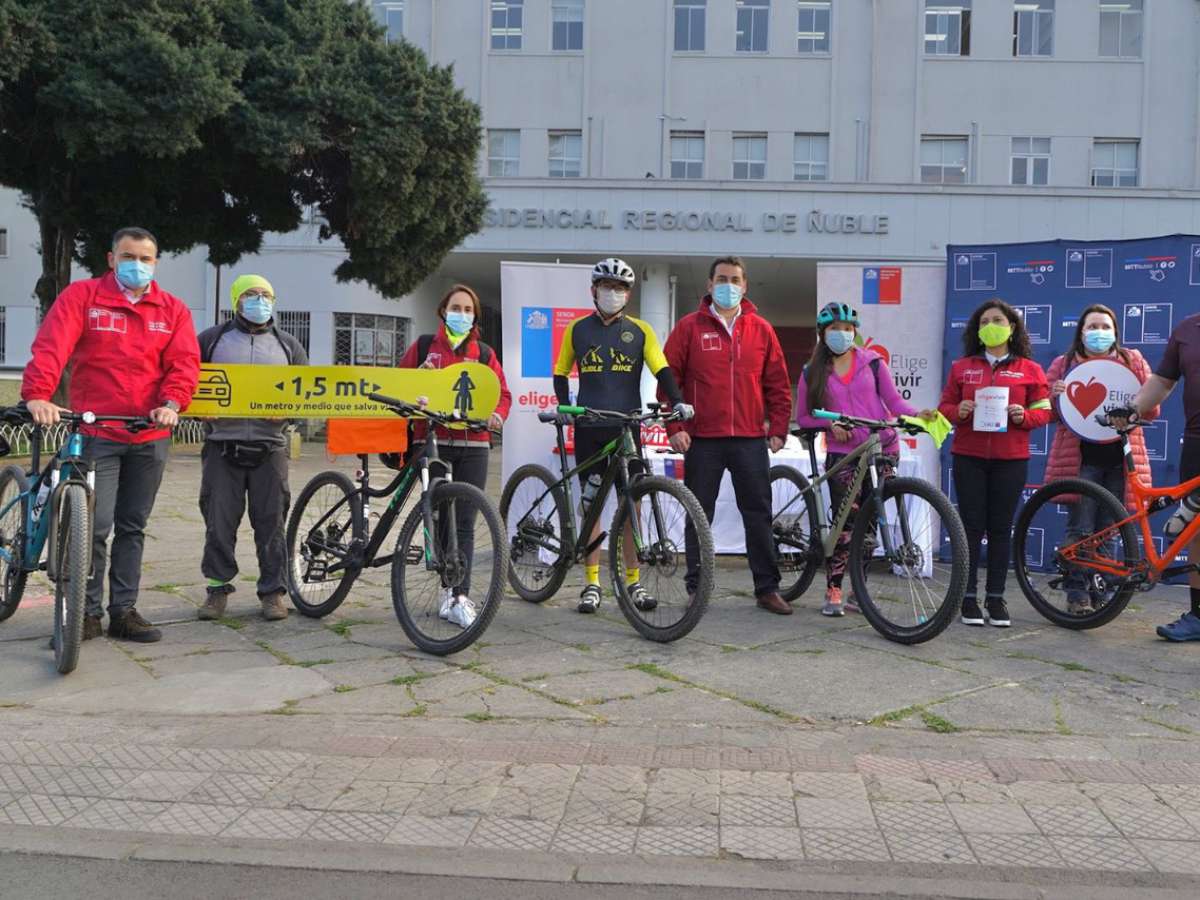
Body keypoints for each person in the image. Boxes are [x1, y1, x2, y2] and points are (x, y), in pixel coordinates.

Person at [22, 226, 200, 644]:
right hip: (95, 430)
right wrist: (38, 396)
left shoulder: (171, 310)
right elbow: (52, 347)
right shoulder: (83, 298)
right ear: (110, 259)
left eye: (145, 259)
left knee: (133, 526)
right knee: (94, 526)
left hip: (148, 433)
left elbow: (184, 364)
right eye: (128, 257)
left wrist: (171, 404)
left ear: (155, 263)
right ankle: (85, 613)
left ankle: (124, 611)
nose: (136, 265)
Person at [554, 258, 692, 614]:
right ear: (593, 291)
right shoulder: (578, 330)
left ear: (628, 294)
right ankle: (591, 583)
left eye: (619, 288)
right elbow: (560, 371)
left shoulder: (641, 330)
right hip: (589, 428)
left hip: (627, 428)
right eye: (606, 287)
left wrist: (678, 401)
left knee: (634, 506)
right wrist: (564, 406)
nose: (612, 293)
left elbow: (662, 370)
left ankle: (632, 582)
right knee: (593, 507)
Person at [663, 256, 793, 615]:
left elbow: (778, 384)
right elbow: (668, 381)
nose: (728, 285)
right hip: (702, 438)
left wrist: (778, 427)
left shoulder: (762, 329)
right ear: (709, 285)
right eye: (722, 278)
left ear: (745, 285)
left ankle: (767, 588)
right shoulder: (689, 327)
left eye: (735, 279)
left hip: (750, 438)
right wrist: (675, 427)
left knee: (758, 514)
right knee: (698, 514)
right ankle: (697, 588)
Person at [795, 302, 936, 617]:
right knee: (844, 526)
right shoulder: (811, 373)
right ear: (823, 334)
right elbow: (804, 417)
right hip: (843, 456)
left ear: (855, 332)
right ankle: (834, 588)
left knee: (869, 524)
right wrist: (829, 425)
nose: (842, 334)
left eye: (848, 328)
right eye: (835, 329)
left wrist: (918, 415)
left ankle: (859, 591)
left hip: (882, 448)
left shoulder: (873, 363)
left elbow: (895, 401)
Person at [196, 275, 308, 622]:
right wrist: (197, 408)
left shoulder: (289, 345)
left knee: (272, 521)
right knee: (219, 520)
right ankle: (217, 590)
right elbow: (184, 379)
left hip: (270, 447)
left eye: (266, 295)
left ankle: (273, 592)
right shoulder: (212, 340)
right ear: (236, 299)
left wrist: (289, 413)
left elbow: (303, 393)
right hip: (221, 445)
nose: (259, 300)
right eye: (251, 294)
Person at [400, 284, 512, 627]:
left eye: (468, 309)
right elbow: (399, 384)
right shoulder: (422, 348)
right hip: (433, 441)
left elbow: (502, 394)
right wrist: (417, 388)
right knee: (440, 518)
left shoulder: (484, 354)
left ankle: (458, 595)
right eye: (456, 308)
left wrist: (497, 415)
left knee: (465, 520)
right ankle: (448, 588)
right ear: (442, 311)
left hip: (474, 444)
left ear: (475, 316)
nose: (461, 314)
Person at [938, 299, 1051, 628]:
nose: (991, 325)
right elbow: (945, 405)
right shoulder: (962, 367)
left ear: (1012, 327)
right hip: (968, 456)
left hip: (1011, 459)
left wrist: (1024, 416)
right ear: (977, 329)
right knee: (971, 528)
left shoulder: (1031, 370)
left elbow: (1044, 410)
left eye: (998, 320)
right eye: (985, 321)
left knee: (1001, 529)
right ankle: (968, 598)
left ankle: (997, 598)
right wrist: (957, 411)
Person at [1045, 305, 1158, 615]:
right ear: (1081, 331)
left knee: (1110, 528)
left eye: (1105, 326)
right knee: (1081, 527)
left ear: (1115, 332)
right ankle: (1076, 593)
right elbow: (1048, 412)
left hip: (1121, 459)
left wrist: (1141, 394)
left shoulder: (1131, 360)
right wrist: (1056, 396)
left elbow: (1152, 410)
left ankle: (1102, 590)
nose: (1099, 332)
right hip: (1081, 459)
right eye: (1092, 326)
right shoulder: (1063, 364)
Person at [1126, 311, 1200, 640]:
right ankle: (1198, 616)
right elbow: (1163, 381)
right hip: (1197, 442)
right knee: (1197, 534)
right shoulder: (1187, 328)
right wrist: (1133, 408)